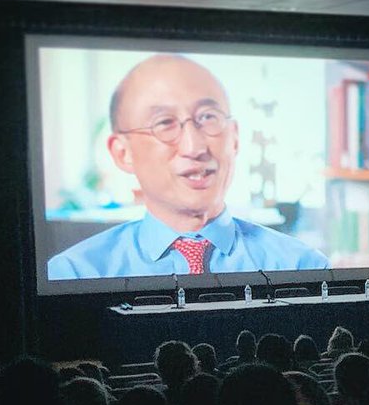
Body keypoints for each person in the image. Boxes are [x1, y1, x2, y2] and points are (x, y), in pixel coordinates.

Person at [47, 54, 327, 280]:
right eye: (165, 123)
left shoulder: (302, 266)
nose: (195, 147)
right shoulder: (76, 274)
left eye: (208, 117)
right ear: (122, 153)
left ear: (235, 138)